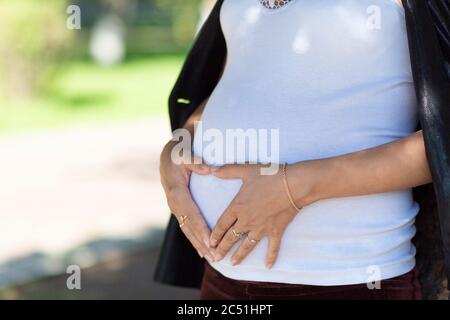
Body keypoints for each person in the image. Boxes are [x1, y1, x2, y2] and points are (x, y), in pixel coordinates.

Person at [157, 0, 450, 300]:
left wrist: (293, 187)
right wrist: (179, 147)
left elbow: (443, 141)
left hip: (349, 278)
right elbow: (236, 79)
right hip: (222, 275)